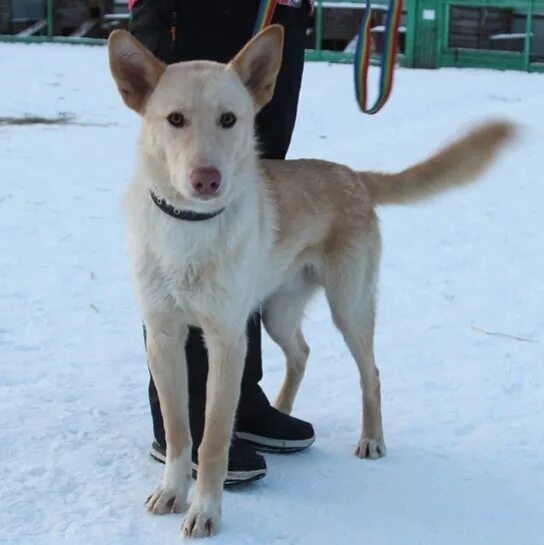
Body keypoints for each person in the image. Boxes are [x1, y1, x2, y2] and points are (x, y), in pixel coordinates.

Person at [129, 0, 315, 485]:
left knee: (253, 196)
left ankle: (238, 398)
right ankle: (180, 424)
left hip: (278, 12)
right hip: (197, 11)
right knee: (186, 174)